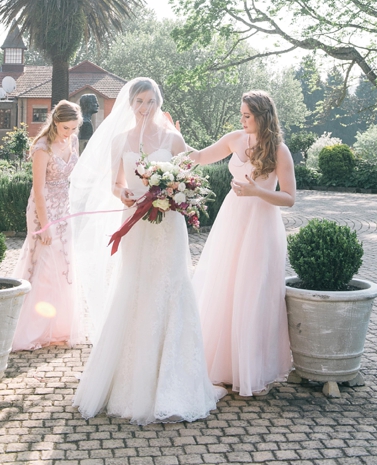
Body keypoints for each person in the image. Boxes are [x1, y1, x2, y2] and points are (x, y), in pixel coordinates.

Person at [69, 77, 225, 424]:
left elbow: (190, 181)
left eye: (150, 101)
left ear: (158, 102)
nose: (144, 108)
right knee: (136, 287)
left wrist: (175, 193)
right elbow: (115, 183)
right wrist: (121, 193)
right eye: (139, 101)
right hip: (136, 223)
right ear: (130, 104)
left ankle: (175, 381)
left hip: (169, 226)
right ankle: (129, 382)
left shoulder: (173, 138)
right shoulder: (121, 140)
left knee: (171, 287)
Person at [189, 90, 295, 397]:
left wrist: (257, 192)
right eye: (241, 115)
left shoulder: (279, 151)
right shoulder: (234, 139)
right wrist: (175, 137)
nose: (242, 120)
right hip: (231, 221)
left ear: (262, 116)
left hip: (261, 225)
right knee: (225, 287)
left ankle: (252, 369)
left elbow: (289, 198)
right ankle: (223, 366)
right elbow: (198, 157)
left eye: (247, 115)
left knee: (253, 293)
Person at [12, 100, 81, 351]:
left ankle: (59, 326)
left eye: (74, 128)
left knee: (64, 263)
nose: (70, 133)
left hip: (65, 207)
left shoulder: (72, 141)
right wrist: (46, 225)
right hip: (44, 210)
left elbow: (75, 174)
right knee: (44, 263)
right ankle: (32, 328)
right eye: (66, 128)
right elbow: (39, 192)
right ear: (55, 122)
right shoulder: (42, 148)